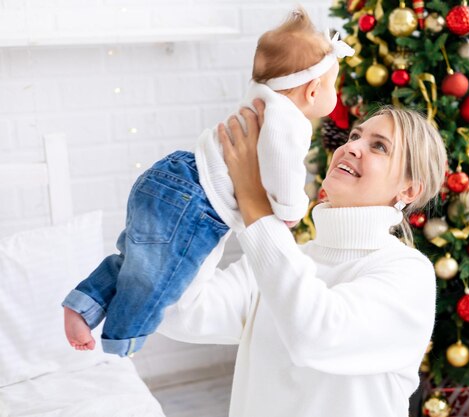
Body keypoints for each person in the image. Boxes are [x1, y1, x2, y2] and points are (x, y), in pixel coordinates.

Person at [62, 8, 355, 356]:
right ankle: (121, 342)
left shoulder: (259, 96)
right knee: (158, 277)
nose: (334, 93)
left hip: (171, 173)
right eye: (332, 85)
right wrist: (291, 209)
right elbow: (283, 168)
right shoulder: (290, 121)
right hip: (194, 202)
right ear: (312, 91)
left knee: (138, 260)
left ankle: (85, 303)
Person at [157, 101, 448, 416]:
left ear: (408, 191)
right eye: (354, 136)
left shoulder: (407, 274)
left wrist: (254, 202)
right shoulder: (286, 258)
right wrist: (223, 208)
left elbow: (315, 335)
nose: (352, 147)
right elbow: (179, 311)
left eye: (379, 146)